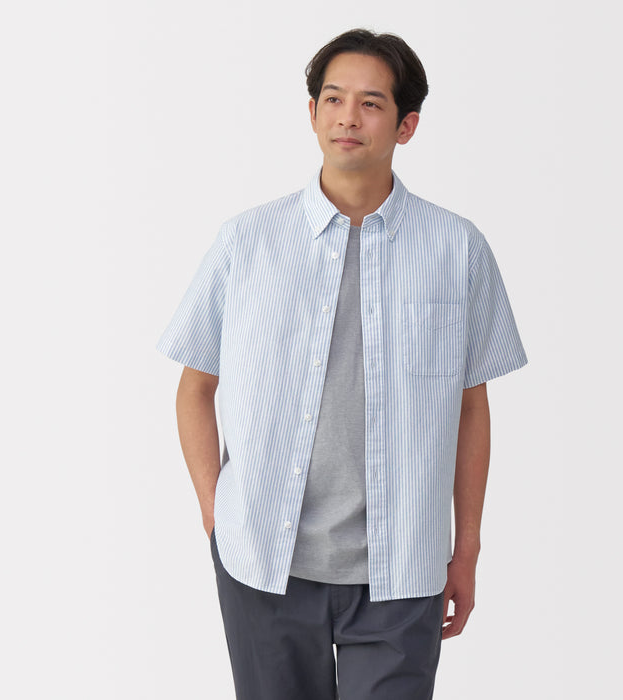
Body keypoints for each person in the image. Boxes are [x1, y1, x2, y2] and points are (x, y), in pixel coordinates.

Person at [157, 27, 527, 700]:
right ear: (312, 113)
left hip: (402, 568)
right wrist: (218, 518)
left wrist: (467, 548)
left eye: (371, 103)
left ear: (407, 125)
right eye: (333, 99)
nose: (347, 117)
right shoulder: (248, 242)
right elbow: (195, 386)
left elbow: (471, 406)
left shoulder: (457, 249)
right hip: (263, 564)